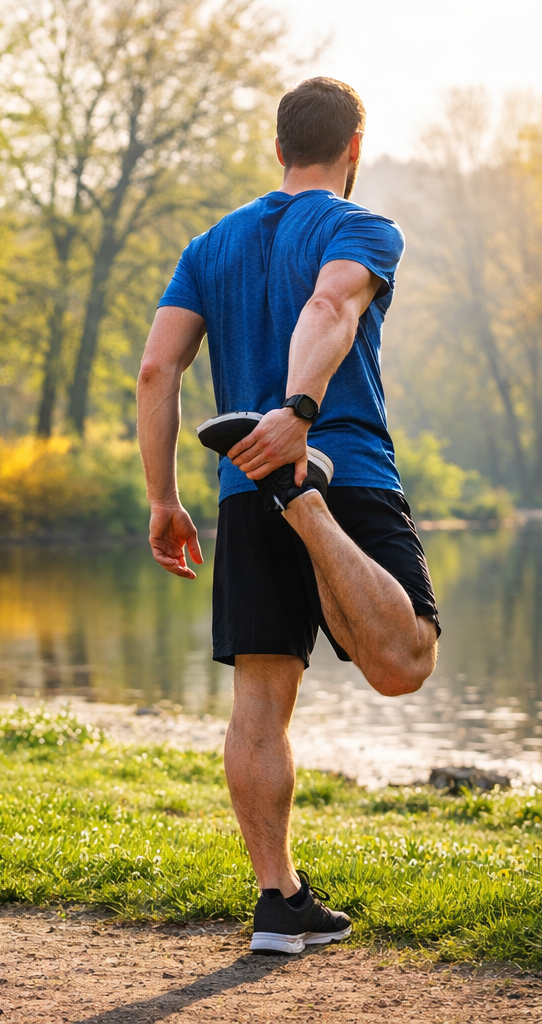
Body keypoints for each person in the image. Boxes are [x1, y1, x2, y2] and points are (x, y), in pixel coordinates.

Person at [135, 77, 440, 954]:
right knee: (407, 659)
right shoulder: (361, 227)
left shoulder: (210, 245)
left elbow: (159, 372)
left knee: (258, 707)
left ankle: (278, 901)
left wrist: (164, 500)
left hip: (237, 485)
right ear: (354, 148)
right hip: (337, 466)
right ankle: (304, 503)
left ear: (278, 150)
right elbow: (329, 304)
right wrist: (298, 417)